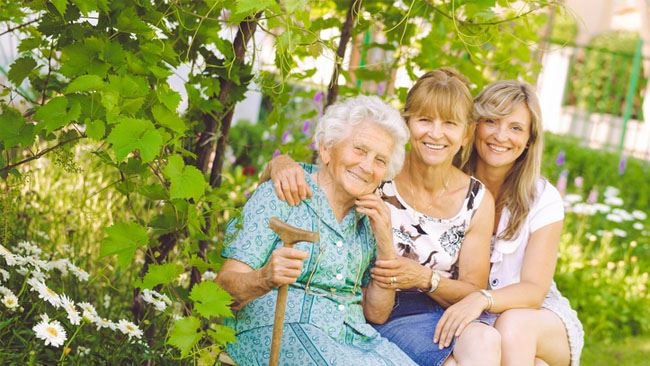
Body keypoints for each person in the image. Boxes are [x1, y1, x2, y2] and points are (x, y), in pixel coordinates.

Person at [265, 68, 497, 366]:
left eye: (449, 124)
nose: (436, 133)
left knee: (486, 340)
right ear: (408, 123)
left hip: (443, 312)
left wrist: (425, 278)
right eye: (425, 120)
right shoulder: (378, 173)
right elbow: (321, 179)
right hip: (378, 312)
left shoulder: (475, 199)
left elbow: (472, 290)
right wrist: (278, 163)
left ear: (466, 134)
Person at [217, 95, 417, 365]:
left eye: (380, 160)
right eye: (359, 150)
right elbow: (222, 289)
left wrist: (385, 242)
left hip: (353, 340)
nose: (368, 166)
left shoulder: (371, 220)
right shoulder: (282, 193)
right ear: (326, 149)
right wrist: (264, 278)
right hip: (278, 328)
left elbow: (377, 314)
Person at [433, 80, 584, 366]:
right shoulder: (447, 183)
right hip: (465, 316)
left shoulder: (542, 198)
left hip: (532, 315)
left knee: (513, 326)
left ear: (529, 140)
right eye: (491, 121)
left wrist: (481, 298)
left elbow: (533, 291)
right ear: (474, 126)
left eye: (515, 128)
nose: (501, 136)